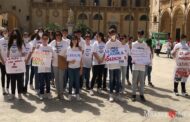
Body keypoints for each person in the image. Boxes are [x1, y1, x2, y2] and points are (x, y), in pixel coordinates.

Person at [105, 28, 124, 102]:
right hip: (111, 66)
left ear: (115, 34)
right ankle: (111, 95)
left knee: (118, 80)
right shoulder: (108, 44)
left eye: (113, 34)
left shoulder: (119, 43)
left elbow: (121, 53)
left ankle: (118, 94)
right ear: (109, 35)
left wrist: (123, 56)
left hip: (118, 65)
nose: (112, 35)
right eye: (111, 34)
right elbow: (107, 55)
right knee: (111, 80)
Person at [131, 30, 150, 102]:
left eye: (141, 36)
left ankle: (141, 95)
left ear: (143, 36)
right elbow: (131, 54)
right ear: (137, 35)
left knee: (142, 81)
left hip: (142, 67)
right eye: (139, 36)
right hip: (135, 66)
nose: (140, 37)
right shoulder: (134, 44)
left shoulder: (145, 45)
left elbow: (147, 55)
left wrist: (147, 61)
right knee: (134, 81)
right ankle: (133, 95)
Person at [7, 28, 26, 100]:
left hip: (19, 64)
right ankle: (12, 94)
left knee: (19, 80)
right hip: (12, 65)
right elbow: (8, 53)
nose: (14, 35)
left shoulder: (21, 43)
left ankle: (20, 94)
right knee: (12, 79)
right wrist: (8, 61)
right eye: (13, 33)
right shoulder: (10, 43)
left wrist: (22, 52)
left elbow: (24, 53)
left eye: (16, 33)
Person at [49, 30, 68, 100]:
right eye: (56, 35)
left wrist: (66, 57)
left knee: (61, 78)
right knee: (56, 79)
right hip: (54, 63)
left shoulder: (65, 43)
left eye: (59, 35)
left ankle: (61, 93)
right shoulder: (53, 42)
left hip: (62, 63)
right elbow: (48, 49)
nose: (57, 36)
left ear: (61, 35)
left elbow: (68, 51)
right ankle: (58, 93)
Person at [37, 33, 53, 100]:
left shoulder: (50, 47)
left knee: (47, 81)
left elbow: (53, 56)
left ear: (48, 39)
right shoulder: (38, 47)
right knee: (41, 81)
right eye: (43, 39)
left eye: (46, 39)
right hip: (41, 68)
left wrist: (51, 58)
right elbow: (35, 56)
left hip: (48, 68)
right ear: (41, 39)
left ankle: (48, 93)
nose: (45, 40)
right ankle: (41, 94)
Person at [67, 36, 83, 101]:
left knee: (77, 82)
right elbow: (67, 59)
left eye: (75, 40)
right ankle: (70, 94)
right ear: (71, 41)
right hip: (70, 68)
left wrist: (81, 69)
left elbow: (81, 59)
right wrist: (71, 61)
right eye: (73, 40)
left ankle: (77, 94)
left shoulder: (79, 49)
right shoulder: (68, 48)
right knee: (70, 81)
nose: (74, 41)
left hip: (77, 68)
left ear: (77, 41)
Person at [0, 28, 11, 95]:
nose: (5, 33)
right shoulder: (0, 40)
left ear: (8, 32)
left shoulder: (10, 40)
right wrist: (1, 60)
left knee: (9, 75)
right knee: (3, 75)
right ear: (2, 33)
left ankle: (7, 88)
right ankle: (3, 89)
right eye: (4, 32)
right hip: (2, 61)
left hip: (9, 62)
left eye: (6, 32)